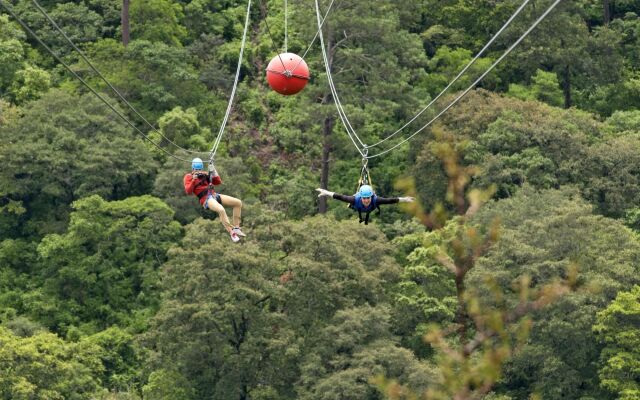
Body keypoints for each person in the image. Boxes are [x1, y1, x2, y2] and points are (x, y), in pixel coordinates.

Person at [184, 158, 245, 242]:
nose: (198, 171)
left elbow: (218, 181)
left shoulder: (204, 174)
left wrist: (213, 170)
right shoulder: (188, 177)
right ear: (192, 168)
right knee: (221, 209)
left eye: (199, 169)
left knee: (238, 203)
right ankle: (231, 232)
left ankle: (237, 227)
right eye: (196, 170)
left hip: (214, 195)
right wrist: (194, 179)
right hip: (206, 199)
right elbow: (188, 191)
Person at [316, 184, 414, 225]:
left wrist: (405, 199)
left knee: (377, 203)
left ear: (371, 197)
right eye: (364, 198)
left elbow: (390, 200)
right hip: (357, 207)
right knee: (350, 202)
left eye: (368, 198)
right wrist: (326, 192)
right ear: (361, 197)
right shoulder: (354, 199)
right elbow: (340, 197)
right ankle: (353, 205)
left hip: (370, 208)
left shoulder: (375, 200)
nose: (366, 200)